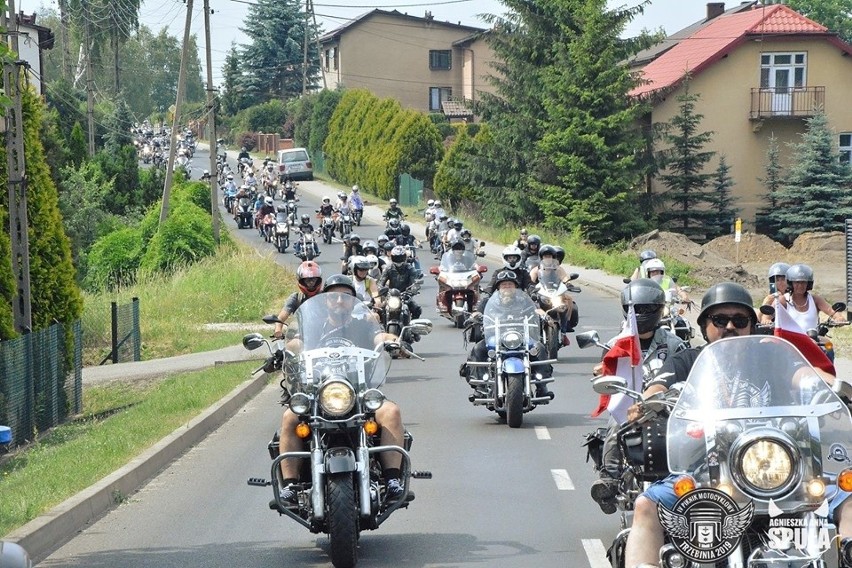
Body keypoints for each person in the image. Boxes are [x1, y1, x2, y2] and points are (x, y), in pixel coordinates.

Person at [621, 282, 850, 566]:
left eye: (739, 320)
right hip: (704, 471)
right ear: (705, 325)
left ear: (751, 326)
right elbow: (657, 388)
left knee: (847, 494)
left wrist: (834, 386)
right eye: (720, 319)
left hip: (779, 467)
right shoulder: (687, 361)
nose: (730, 326)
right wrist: (649, 402)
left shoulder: (770, 359)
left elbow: (804, 374)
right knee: (646, 505)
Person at [277, 275, 409, 503]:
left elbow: (379, 336)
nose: (339, 301)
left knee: (391, 412)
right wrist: (282, 351)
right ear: (325, 300)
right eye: (334, 296)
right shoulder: (314, 327)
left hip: (359, 393)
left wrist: (394, 340)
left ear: (353, 302)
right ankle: (290, 485)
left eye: (346, 297)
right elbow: (297, 342)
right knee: (290, 416)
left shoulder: (363, 326)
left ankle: (392, 480)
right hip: (318, 394)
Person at [588, 278, 686, 514]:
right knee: (614, 424)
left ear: (658, 310)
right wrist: (602, 371)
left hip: (665, 407)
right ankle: (609, 478)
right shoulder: (617, 343)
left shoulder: (675, 344)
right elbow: (604, 372)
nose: (639, 314)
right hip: (630, 405)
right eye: (635, 309)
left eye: (645, 309)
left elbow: (687, 373)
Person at [460, 270, 553, 398]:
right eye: (504, 285)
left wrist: (543, 315)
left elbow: (536, 309)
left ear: (515, 286)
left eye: (510, 284)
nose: (507, 287)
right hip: (495, 337)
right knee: (478, 349)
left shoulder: (524, 300)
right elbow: (478, 312)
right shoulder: (489, 302)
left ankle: (542, 385)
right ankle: (480, 387)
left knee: (539, 348)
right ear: (498, 287)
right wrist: (474, 317)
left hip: (521, 335)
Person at [529, 244, 577, 345]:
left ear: (553, 257)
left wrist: (569, 284)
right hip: (540, 294)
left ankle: (564, 330)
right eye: (545, 256)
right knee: (531, 306)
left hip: (555, 293)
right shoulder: (536, 270)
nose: (548, 258)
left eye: (550, 256)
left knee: (568, 301)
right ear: (541, 257)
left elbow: (565, 278)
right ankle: (532, 330)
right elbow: (530, 282)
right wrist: (531, 289)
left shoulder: (558, 269)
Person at [784, 263, 845, 331]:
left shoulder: (815, 299)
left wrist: (838, 317)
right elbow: (771, 312)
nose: (801, 285)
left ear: (809, 284)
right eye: (797, 282)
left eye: (804, 282)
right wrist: (769, 319)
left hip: (812, 339)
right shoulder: (783, 300)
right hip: (788, 339)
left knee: (827, 342)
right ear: (790, 283)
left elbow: (830, 310)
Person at [273, 261, 323, 338]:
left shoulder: (325, 297)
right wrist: (278, 330)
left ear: (318, 280)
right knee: (291, 346)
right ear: (301, 281)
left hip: (323, 335)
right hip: (301, 336)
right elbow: (282, 317)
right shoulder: (296, 298)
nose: (311, 283)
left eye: (314, 280)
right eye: (307, 280)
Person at [378, 245, 422, 318]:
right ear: (392, 257)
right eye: (396, 258)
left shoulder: (410, 269)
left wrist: (413, 289)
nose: (398, 260)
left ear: (404, 257)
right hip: (391, 295)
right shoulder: (388, 268)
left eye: (400, 258)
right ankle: (381, 327)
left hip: (405, 296)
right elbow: (381, 282)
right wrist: (381, 289)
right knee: (379, 310)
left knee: (417, 309)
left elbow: (414, 282)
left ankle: (412, 327)